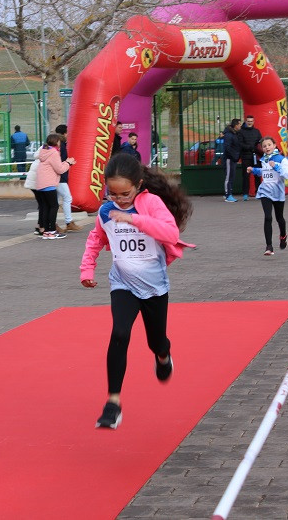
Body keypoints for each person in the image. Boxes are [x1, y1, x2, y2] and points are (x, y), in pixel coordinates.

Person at [80, 153, 193, 429]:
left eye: (125, 193)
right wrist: (87, 269)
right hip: (123, 283)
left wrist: (134, 220)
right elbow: (96, 238)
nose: (119, 200)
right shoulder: (107, 211)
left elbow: (169, 234)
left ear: (139, 185)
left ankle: (163, 355)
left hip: (154, 287)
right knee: (119, 334)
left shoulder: (151, 203)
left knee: (156, 341)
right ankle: (113, 403)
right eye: (112, 193)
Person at [246, 136, 288, 256]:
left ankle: (283, 235)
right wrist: (254, 170)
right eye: (264, 146)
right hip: (265, 191)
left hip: (278, 192)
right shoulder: (263, 160)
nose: (267, 147)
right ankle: (269, 247)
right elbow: (264, 172)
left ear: (274, 145)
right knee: (268, 217)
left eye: (269, 145)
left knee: (279, 218)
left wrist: (276, 166)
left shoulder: (281, 159)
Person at [36, 133, 74, 240]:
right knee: (54, 206)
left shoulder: (44, 151)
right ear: (56, 142)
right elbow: (60, 169)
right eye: (59, 141)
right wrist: (68, 162)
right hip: (49, 183)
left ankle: (46, 231)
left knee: (46, 207)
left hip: (41, 183)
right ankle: (52, 231)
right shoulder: (53, 153)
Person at [54, 124, 81, 233]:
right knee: (67, 198)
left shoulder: (55, 144)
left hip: (56, 176)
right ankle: (68, 222)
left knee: (55, 201)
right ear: (65, 133)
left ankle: (53, 223)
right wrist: (68, 163)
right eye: (67, 132)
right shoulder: (62, 145)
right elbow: (59, 161)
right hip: (60, 177)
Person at [237, 115, 262, 201]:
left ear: (253, 122)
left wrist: (257, 148)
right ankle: (245, 194)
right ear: (246, 121)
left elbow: (260, 142)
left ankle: (258, 193)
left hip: (256, 156)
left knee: (258, 175)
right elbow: (240, 144)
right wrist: (250, 147)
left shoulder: (257, 131)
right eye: (248, 121)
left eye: (251, 121)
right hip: (246, 157)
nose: (250, 122)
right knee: (246, 176)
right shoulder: (241, 132)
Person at [222, 119, 241, 202]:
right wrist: (234, 156)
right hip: (229, 158)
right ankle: (228, 194)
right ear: (235, 125)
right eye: (239, 124)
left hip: (233, 158)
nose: (240, 126)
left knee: (231, 176)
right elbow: (228, 148)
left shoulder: (234, 134)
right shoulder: (229, 135)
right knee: (229, 176)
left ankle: (229, 193)